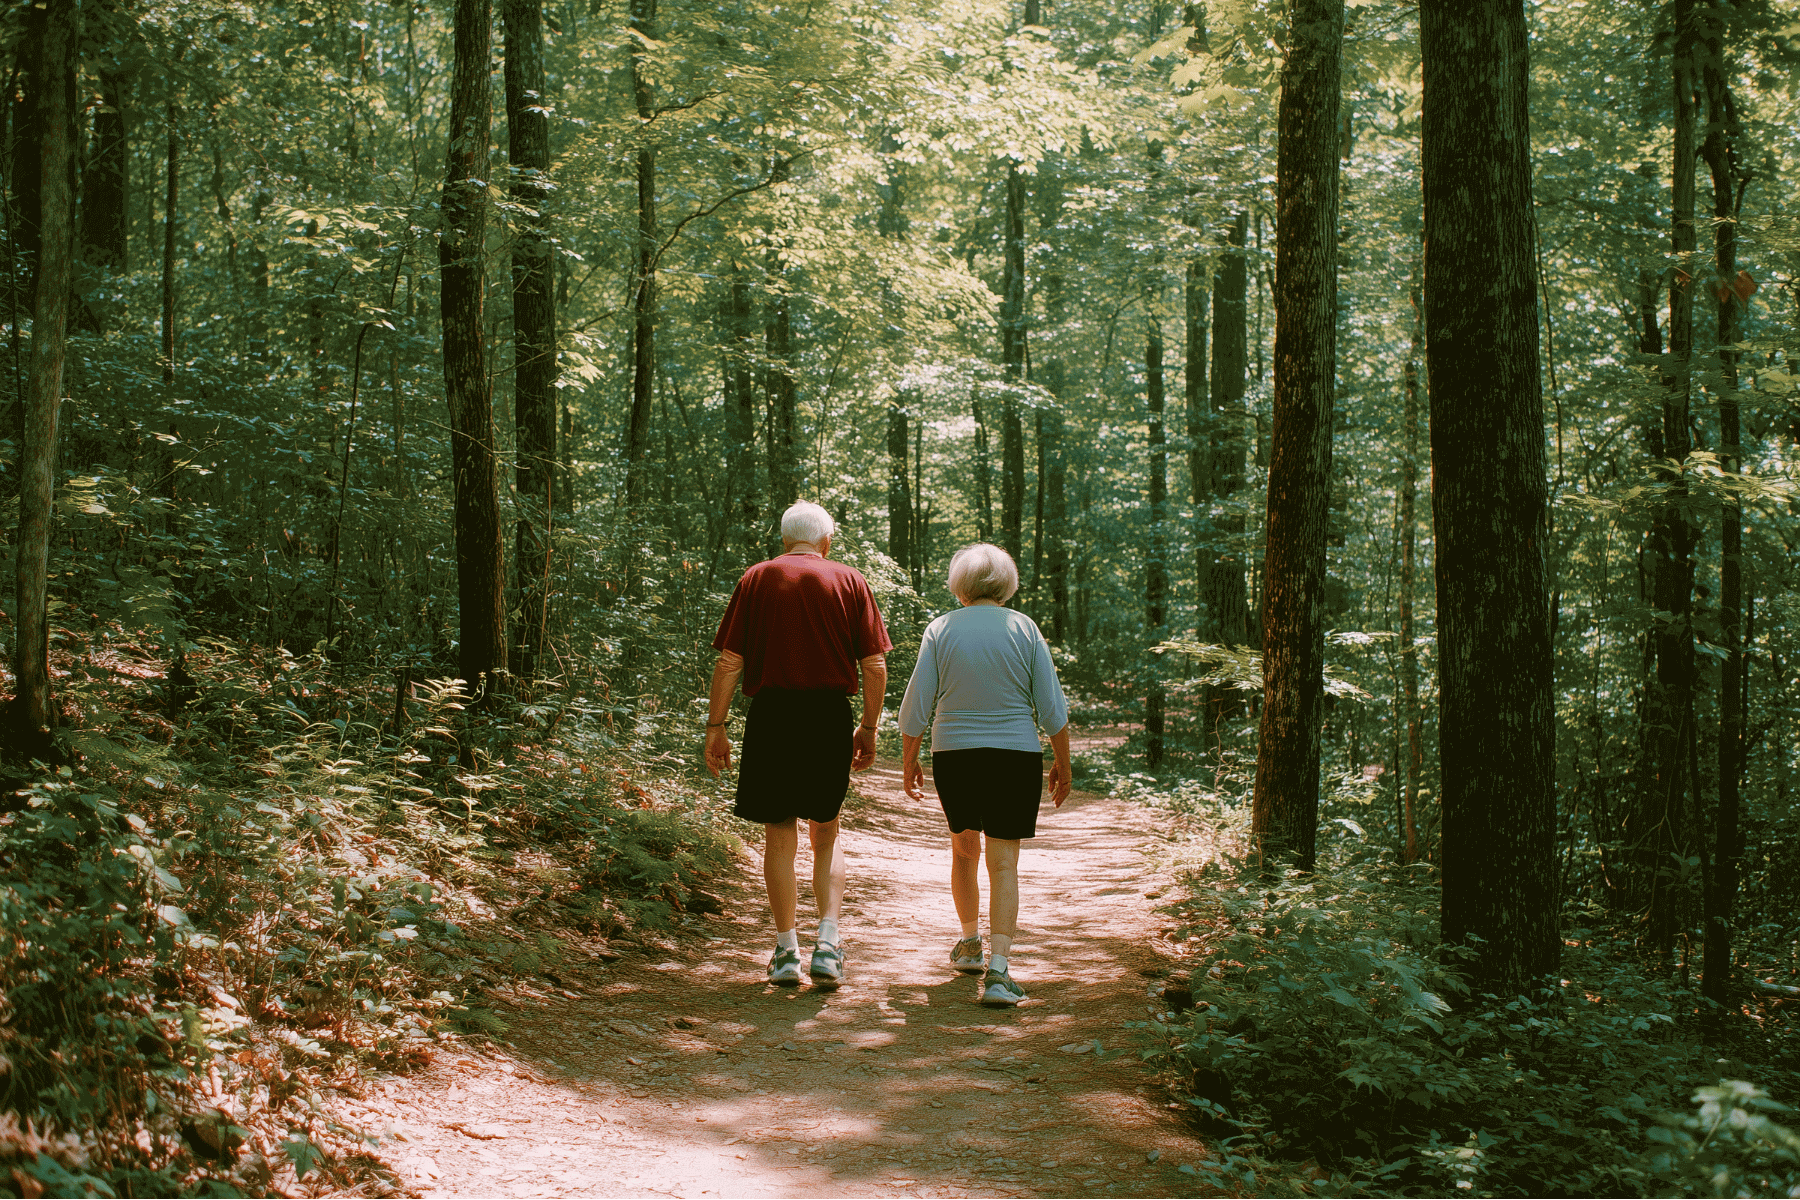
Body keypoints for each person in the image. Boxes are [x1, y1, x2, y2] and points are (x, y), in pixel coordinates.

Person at [703, 501, 891, 989]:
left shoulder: (757, 578)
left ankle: (787, 952)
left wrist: (716, 726)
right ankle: (827, 946)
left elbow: (729, 661)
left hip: (773, 717)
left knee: (779, 833)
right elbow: (875, 665)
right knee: (825, 831)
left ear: (784, 540)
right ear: (827, 542)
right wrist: (868, 728)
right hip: (828, 716)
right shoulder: (850, 580)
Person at [898, 543, 1072, 1007]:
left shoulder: (940, 628)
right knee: (1004, 862)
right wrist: (1063, 762)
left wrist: (909, 758)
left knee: (963, 849)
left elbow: (917, 704)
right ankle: (999, 971)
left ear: (961, 584)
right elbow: (1051, 706)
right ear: (1006, 582)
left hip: (955, 753)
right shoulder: (1024, 628)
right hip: (1014, 754)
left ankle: (970, 942)